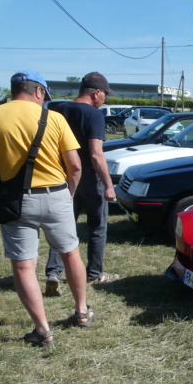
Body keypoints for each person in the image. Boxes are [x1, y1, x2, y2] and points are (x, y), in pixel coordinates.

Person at [0, 70, 94, 347]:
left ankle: (43, 330)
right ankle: (82, 312)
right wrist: (67, 195)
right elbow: (75, 166)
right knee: (70, 254)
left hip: (15, 201)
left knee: (24, 266)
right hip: (57, 196)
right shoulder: (54, 118)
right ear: (39, 91)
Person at [44, 72, 118, 296]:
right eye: (105, 94)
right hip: (88, 177)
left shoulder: (57, 110)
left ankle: (53, 273)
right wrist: (108, 184)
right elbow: (96, 154)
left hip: (62, 177)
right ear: (96, 93)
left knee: (62, 226)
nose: (105, 98)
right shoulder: (94, 115)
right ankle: (94, 273)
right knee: (97, 227)